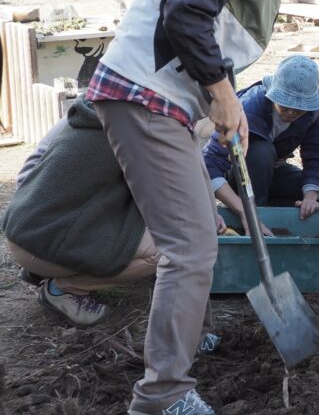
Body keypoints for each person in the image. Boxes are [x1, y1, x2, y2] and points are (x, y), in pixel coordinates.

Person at [85, 0, 319, 415]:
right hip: (145, 95)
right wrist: (223, 93)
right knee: (189, 248)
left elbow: (206, 25)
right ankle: (164, 394)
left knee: (203, 230)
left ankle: (193, 335)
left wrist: (220, 101)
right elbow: (185, 11)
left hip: (163, 100)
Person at [1, 97, 226, 359]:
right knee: (171, 248)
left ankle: (47, 267)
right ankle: (65, 288)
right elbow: (170, 205)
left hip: (30, 226)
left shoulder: (99, 107)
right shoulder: (142, 131)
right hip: (46, 237)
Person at [203, 55, 319, 221]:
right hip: (239, 176)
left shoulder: (313, 114)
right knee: (261, 152)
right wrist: (245, 212)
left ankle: (269, 208)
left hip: (271, 172)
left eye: (299, 107)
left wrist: (310, 198)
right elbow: (210, 166)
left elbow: (316, 155)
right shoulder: (248, 108)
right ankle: (257, 213)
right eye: (286, 104)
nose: (292, 112)